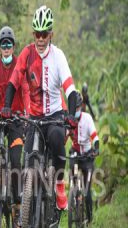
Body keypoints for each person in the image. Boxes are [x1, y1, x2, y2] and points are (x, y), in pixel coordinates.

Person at [1, 5, 78, 210]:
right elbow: (14, 81)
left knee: (56, 141)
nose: (41, 39)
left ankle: (59, 184)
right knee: (28, 158)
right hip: (34, 117)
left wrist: (70, 114)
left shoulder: (58, 56)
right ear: (33, 34)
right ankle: (28, 205)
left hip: (54, 114)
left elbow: (70, 89)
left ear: (51, 34)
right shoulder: (27, 53)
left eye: (44, 34)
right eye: (37, 34)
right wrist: (7, 106)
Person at [0, 26, 30, 227]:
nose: (6, 48)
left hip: (17, 120)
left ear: (14, 46)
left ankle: (17, 208)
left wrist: (27, 113)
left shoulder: (20, 65)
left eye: (9, 44)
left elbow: (26, 90)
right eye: (3, 44)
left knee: (15, 162)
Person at [66, 91, 99, 223]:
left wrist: (96, 148)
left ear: (81, 107)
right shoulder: (69, 119)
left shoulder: (87, 119)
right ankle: (74, 198)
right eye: (74, 108)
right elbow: (64, 135)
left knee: (87, 189)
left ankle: (89, 219)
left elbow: (95, 137)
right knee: (73, 176)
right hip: (75, 153)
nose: (76, 110)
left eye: (78, 108)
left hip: (87, 156)